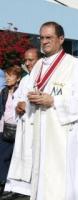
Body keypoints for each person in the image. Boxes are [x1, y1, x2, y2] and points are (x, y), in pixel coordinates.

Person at [13, 21, 78, 200]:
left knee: (59, 180)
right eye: (42, 37)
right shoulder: (39, 65)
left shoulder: (74, 65)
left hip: (61, 133)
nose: (44, 41)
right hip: (40, 131)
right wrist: (24, 103)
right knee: (41, 178)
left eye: (49, 37)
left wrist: (54, 100)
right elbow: (27, 92)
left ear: (61, 39)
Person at [4, 48, 41, 197]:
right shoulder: (26, 79)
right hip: (23, 124)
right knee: (20, 155)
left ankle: (31, 188)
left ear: (39, 60)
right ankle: (18, 187)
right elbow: (18, 98)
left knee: (33, 157)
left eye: (31, 60)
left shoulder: (43, 78)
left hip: (36, 125)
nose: (27, 63)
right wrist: (19, 106)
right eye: (25, 60)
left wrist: (26, 104)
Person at [0, 66, 22, 198]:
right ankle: (4, 182)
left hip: (17, 129)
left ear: (18, 78)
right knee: (3, 157)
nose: (7, 78)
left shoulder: (20, 91)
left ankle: (9, 184)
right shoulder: (3, 91)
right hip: (3, 128)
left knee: (12, 158)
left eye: (11, 76)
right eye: (6, 76)